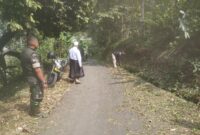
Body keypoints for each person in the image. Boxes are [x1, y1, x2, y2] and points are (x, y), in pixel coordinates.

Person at [21, 36, 47, 117]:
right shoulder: (32, 54)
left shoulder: (24, 52)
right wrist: (43, 81)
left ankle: (33, 110)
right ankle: (36, 113)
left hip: (29, 77)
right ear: (33, 43)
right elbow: (37, 69)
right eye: (37, 42)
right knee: (37, 95)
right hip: (34, 78)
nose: (38, 43)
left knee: (34, 93)